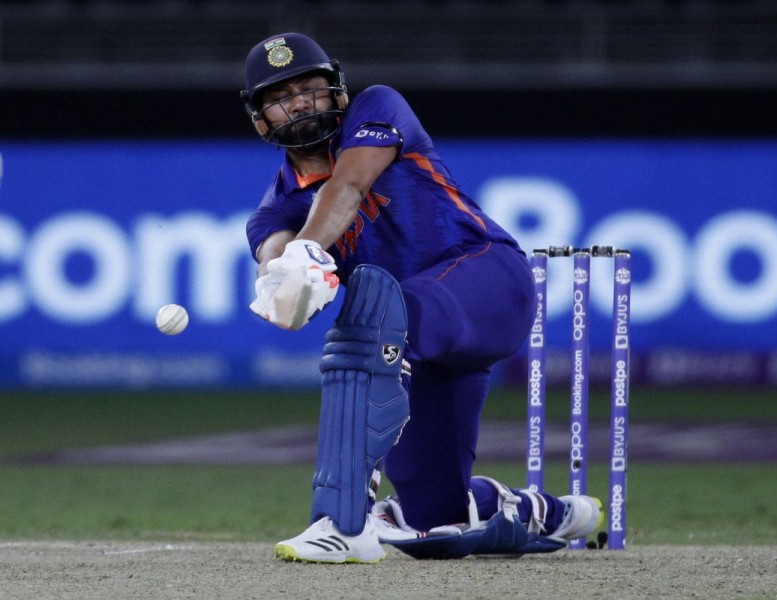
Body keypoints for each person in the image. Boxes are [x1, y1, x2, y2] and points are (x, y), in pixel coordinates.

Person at [241, 32, 603, 563]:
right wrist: (280, 282)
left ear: (337, 91)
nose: (299, 103)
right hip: (415, 347)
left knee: (369, 320)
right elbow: (273, 254)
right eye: (279, 97)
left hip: (488, 281)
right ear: (260, 120)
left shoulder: (377, 107)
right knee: (433, 520)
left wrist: (304, 253)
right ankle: (538, 511)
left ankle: (341, 522)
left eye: (309, 87)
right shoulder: (274, 210)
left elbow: (348, 186)